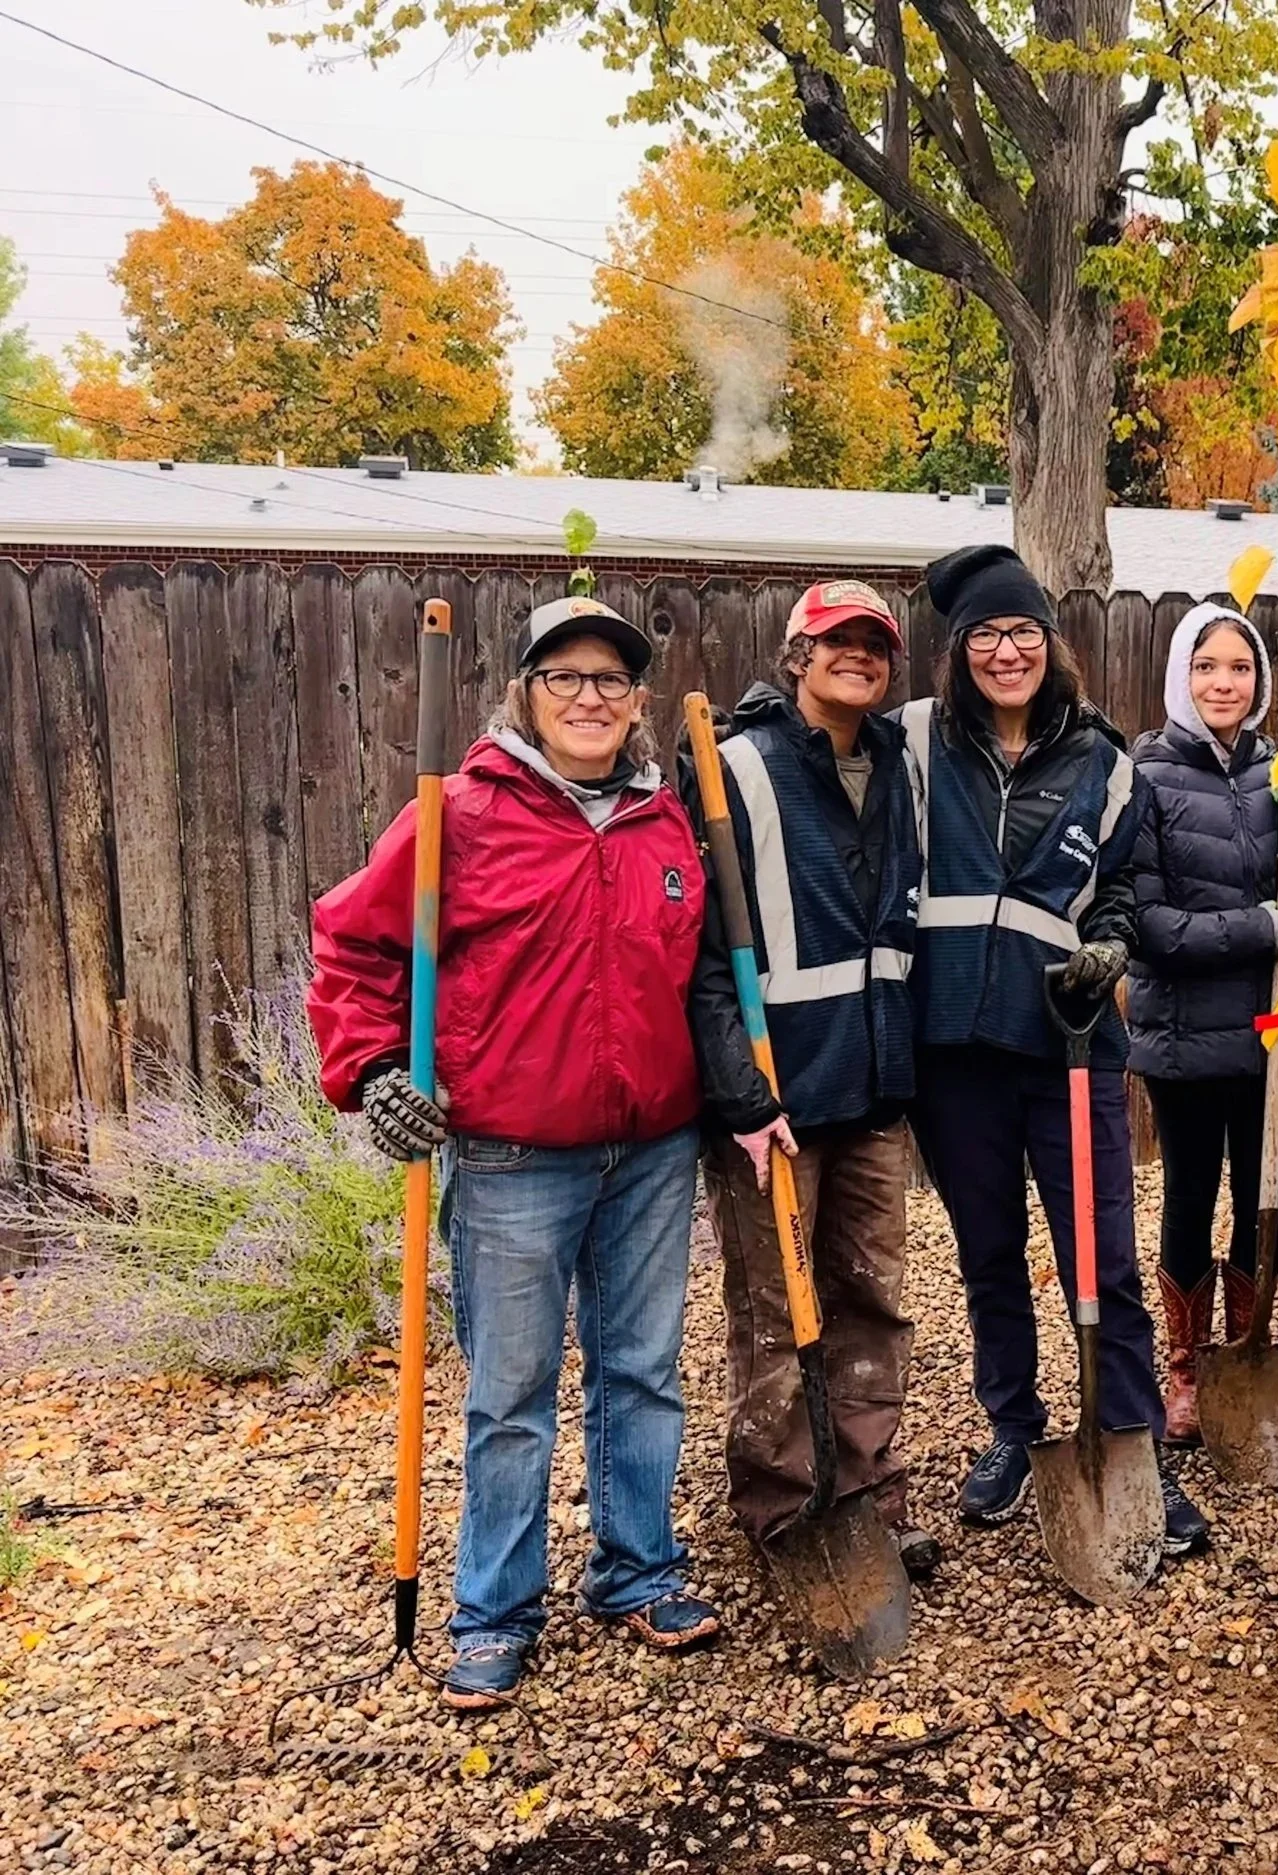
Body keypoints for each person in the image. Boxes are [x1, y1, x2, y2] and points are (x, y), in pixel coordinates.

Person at [308, 595, 718, 1710]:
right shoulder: (461, 815)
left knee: (642, 1373)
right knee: (511, 1393)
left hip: (650, 1151)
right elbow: (352, 941)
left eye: (611, 681)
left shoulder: (663, 821)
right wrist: (376, 1071)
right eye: (566, 678)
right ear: (525, 695)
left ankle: (636, 1571)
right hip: (511, 1156)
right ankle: (493, 1610)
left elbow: (703, 975)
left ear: (637, 704)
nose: (591, 699)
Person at [900, 543, 1211, 1555]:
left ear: (1050, 643)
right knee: (987, 1254)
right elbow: (814, 749)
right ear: (958, 651)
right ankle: (1013, 1427)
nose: (1004, 651)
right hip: (950, 1049)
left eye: (1021, 632)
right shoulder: (914, 745)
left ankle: (1128, 1442)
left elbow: (1122, 883)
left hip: (1069, 1050)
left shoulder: (1106, 763)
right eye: (985, 634)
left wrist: (1111, 941)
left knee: (1102, 1258)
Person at [685, 581, 939, 1584]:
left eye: (875, 645)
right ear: (796, 657)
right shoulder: (734, 770)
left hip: (874, 1086)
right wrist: (738, 1094)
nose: (859, 658)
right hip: (774, 1100)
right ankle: (785, 1506)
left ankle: (871, 1492)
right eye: (837, 642)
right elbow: (702, 953)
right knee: (776, 1312)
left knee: (873, 1301)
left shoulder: (896, 770)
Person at [1124, 600, 1278, 1443]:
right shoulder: (1144, 774)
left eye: (1240, 667)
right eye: (1206, 667)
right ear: (1179, 678)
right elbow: (1150, 927)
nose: (1224, 682)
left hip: (1271, 1032)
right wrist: (1266, 928)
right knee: (1189, 1194)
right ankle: (1183, 1365)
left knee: (1263, 1193)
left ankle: (1246, 1350)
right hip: (1183, 1032)